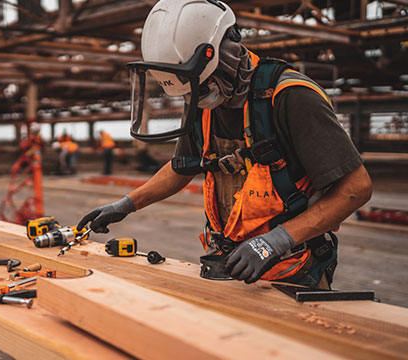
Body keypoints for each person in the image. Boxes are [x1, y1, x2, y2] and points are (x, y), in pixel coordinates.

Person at [77, 0, 372, 290]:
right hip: (228, 265)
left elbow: (356, 188)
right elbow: (183, 167)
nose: (199, 98)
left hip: (292, 268)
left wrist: (276, 241)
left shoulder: (290, 96)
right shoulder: (203, 96)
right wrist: (125, 205)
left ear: (225, 54)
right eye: (192, 91)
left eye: (202, 87)